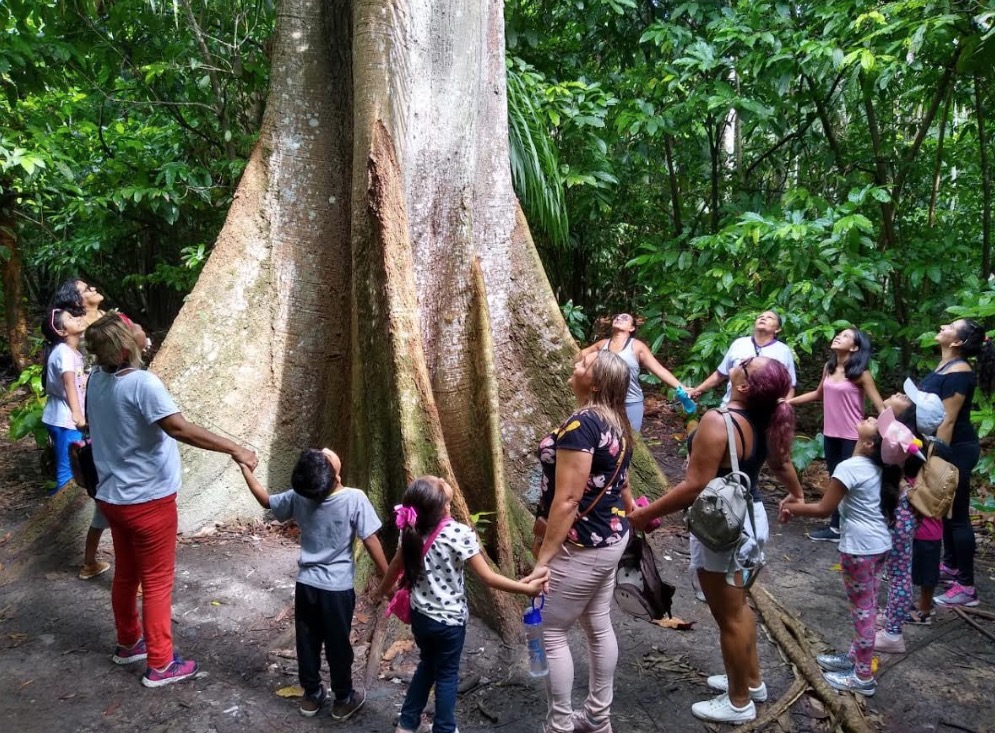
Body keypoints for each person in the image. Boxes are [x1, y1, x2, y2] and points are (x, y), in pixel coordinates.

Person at [84, 313, 257, 687]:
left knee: (127, 574)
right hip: (148, 501)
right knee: (158, 582)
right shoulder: (143, 384)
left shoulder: (96, 380)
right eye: (133, 327)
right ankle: (161, 663)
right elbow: (178, 428)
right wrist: (236, 449)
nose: (141, 327)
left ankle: (129, 642)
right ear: (127, 344)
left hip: (113, 497)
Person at [630, 357, 800, 723]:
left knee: (730, 617)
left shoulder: (720, 420)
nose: (740, 361)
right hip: (750, 515)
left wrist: (644, 514)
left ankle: (738, 703)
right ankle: (751, 681)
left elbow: (693, 485)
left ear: (742, 386)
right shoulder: (764, 415)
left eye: (747, 364)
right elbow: (770, 462)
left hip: (725, 524)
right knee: (739, 608)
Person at [376, 476, 546, 733]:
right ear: (444, 506)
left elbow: (392, 570)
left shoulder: (409, 530)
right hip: (449, 623)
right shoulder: (459, 534)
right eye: (438, 482)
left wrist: (383, 593)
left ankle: (407, 723)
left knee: (427, 665)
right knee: (446, 676)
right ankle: (444, 727)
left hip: (421, 617)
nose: (440, 478)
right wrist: (527, 589)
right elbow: (488, 578)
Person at [523, 350, 633, 733]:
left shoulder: (583, 424)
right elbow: (618, 482)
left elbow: (568, 500)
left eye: (583, 365)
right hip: (610, 539)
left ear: (597, 382)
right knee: (598, 624)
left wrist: (544, 560)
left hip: (581, 546)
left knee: (552, 633)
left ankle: (560, 726)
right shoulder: (615, 421)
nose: (575, 367)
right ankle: (598, 719)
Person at [239, 448, 388, 719]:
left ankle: (311, 695)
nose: (325, 451)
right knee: (338, 644)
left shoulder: (300, 496)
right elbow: (371, 540)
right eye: (324, 456)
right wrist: (390, 577)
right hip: (337, 590)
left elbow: (265, 500)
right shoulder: (355, 498)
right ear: (336, 477)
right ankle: (343, 698)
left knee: (306, 641)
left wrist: (245, 468)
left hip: (306, 585)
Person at [779, 411, 908, 696]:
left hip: (860, 550)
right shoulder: (879, 468)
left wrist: (790, 507)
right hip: (879, 546)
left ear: (871, 444)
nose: (872, 416)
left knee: (864, 613)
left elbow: (823, 509)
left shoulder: (850, 468)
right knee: (868, 607)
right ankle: (853, 658)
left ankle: (862, 677)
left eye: (875, 423)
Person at [913, 319, 995, 607]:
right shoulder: (945, 366)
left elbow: (947, 421)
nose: (943, 325)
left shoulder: (960, 373)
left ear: (957, 342)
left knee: (957, 516)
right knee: (943, 511)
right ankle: (950, 565)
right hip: (941, 446)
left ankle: (967, 587)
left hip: (955, 449)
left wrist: (934, 460)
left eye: (951, 325)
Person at [790, 328, 885, 542]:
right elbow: (818, 394)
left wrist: (893, 431)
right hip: (830, 434)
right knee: (836, 479)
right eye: (839, 334)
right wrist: (788, 402)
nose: (838, 336)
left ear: (854, 347)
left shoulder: (861, 374)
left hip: (853, 437)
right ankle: (836, 527)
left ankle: (849, 528)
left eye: (845, 336)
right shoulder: (829, 367)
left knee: (849, 482)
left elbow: (879, 405)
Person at [576, 313, 687, 431]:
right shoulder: (602, 344)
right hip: (605, 401)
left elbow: (658, 369)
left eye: (624, 318)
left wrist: (682, 387)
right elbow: (577, 356)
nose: (618, 318)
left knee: (630, 440)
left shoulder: (637, 346)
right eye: (617, 317)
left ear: (632, 328)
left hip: (630, 402)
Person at [688, 310, 797, 404]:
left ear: (777, 329)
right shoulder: (739, 344)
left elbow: (790, 385)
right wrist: (698, 390)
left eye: (769, 318)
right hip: (733, 407)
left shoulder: (784, 351)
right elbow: (720, 374)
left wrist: (785, 406)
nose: (763, 318)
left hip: (766, 411)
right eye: (760, 317)